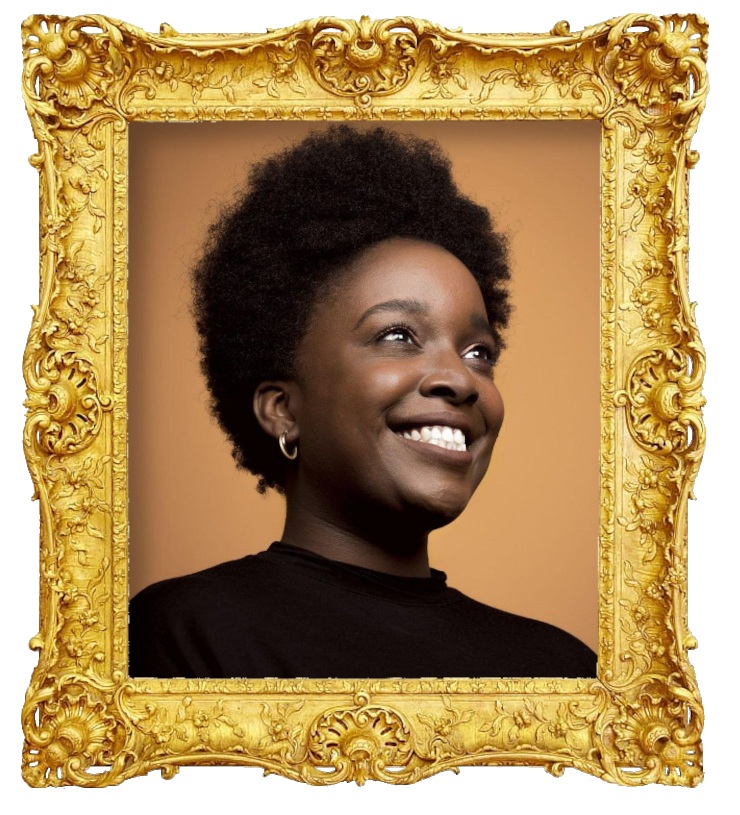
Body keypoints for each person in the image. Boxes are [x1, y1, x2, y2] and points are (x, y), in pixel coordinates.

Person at [129, 125, 596, 679]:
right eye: (398, 336)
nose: (462, 380)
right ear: (282, 409)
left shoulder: (562, 670)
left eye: (478, 351)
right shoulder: (182, 634)